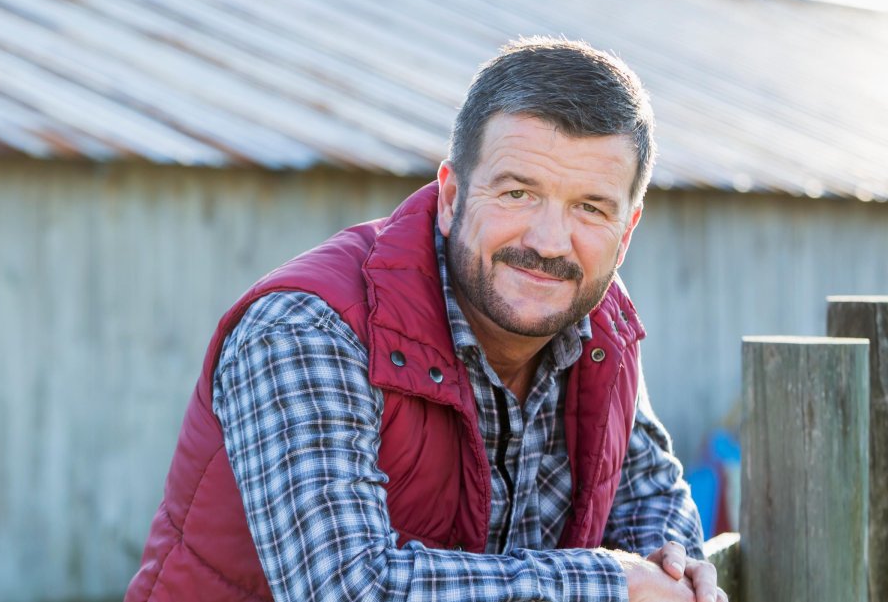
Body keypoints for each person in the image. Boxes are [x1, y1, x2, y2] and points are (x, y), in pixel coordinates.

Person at [126, 38, 724, 602]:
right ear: (450, 195)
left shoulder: (600, 320)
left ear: (626, 233)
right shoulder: (306, 329)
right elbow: (346, 589)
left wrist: (668, 564)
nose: (548, 242)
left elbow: (648, 491)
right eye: (517, 193)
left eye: (589, 208)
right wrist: (607, 585)